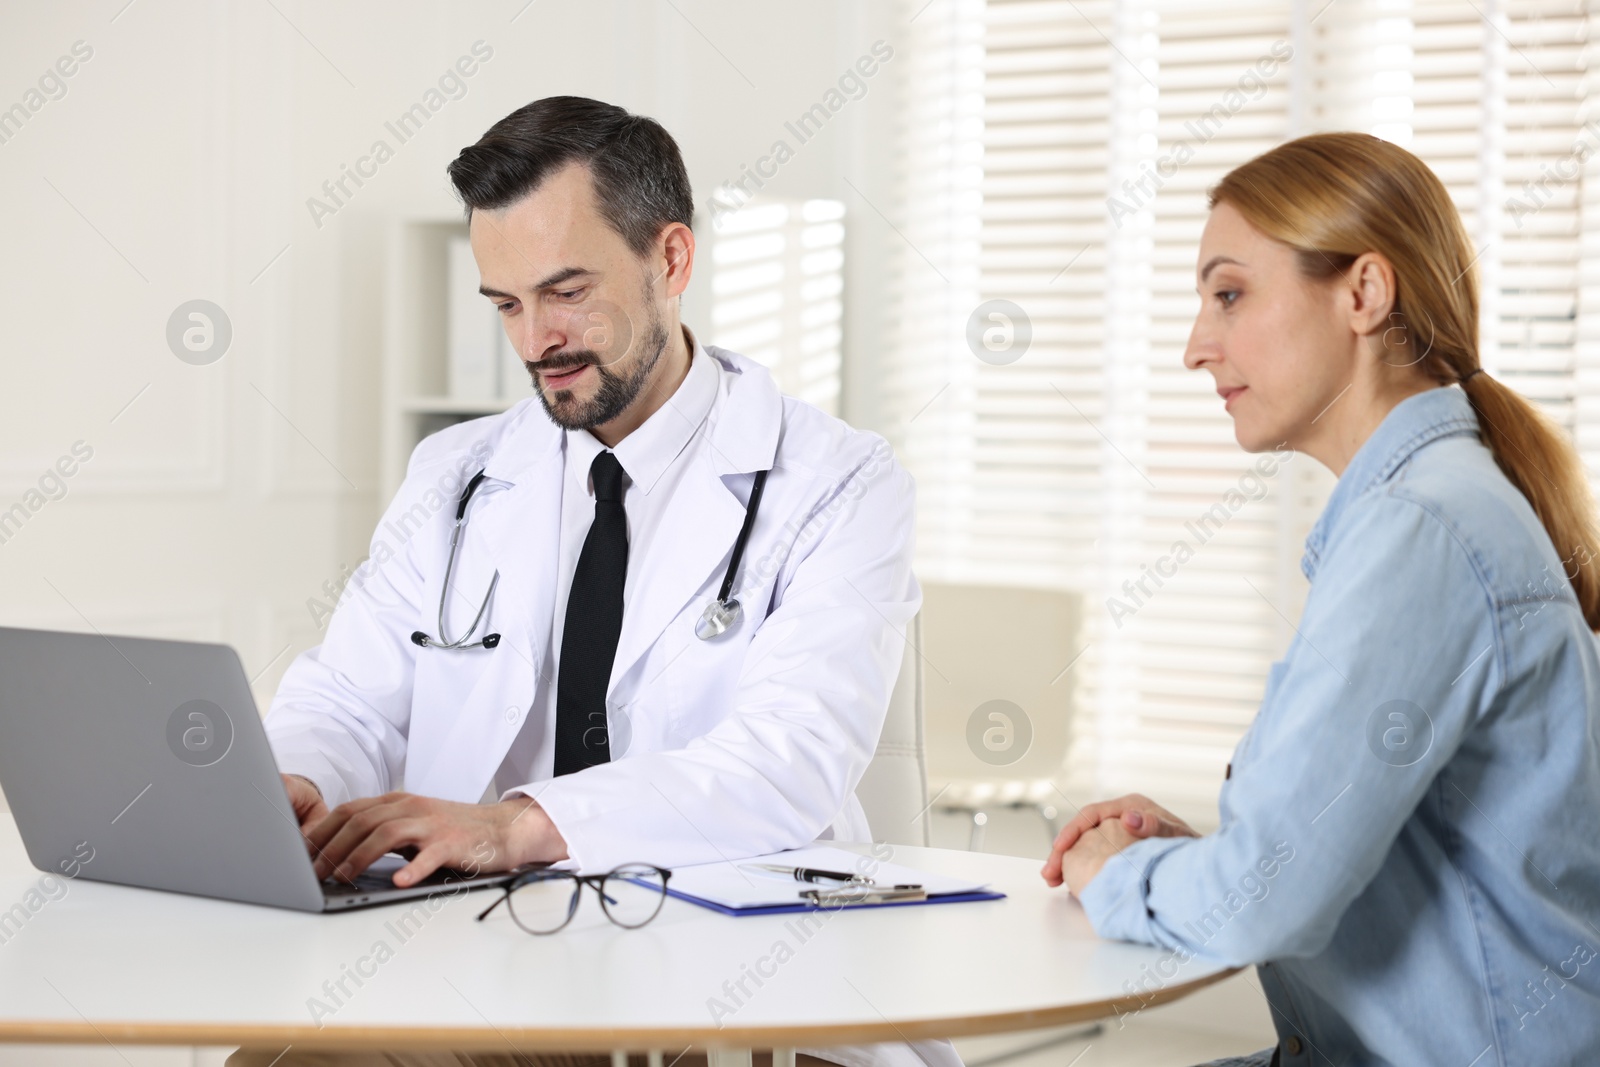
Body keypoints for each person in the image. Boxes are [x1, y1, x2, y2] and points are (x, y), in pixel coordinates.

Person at [229, 97, 955, 1067]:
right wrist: (296, 778)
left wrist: (522, 824)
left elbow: (789, 757)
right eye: (506, 304)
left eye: (566, 290)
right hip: (480, 950)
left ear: (671, 259)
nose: (537, 341)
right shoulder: (457, 473)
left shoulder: (835, 480)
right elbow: (352, 696)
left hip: (725, 948)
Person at [1042, 132, 1600, 1066]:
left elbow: (1264, 902)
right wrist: (1216, 852)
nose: (1195, 346)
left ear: (1363, 294)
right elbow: (1332, 862)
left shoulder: (1423, 526)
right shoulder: (1427, 508)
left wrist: (1120, 872)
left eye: (1229, 293)